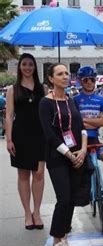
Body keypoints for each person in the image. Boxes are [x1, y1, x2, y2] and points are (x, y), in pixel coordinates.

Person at [39, 63, 88, 246]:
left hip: (77, 155)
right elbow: (49, 135)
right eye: (60, 74)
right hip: (58, 157)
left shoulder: (72, 100)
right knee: (64, 198)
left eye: (67, 73)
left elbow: (82, 127)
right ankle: (55, 242)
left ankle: (64, 237)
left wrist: (83, 150)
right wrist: (69, 154)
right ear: (51, 78)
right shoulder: (45, 103)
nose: (65, 76)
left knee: (73, 199)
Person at [4, 53, 46, 230]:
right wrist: (9, 139)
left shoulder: (42, 88)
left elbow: (47, 111)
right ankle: (27, 213)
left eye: (30, 64)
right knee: (23, 175)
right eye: (24, 64)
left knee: (39, 174)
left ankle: (37, 212)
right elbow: (8, 115)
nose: (27, 67)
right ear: (19, 67)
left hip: (40, 135)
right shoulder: (13, 89)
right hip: (21, 135)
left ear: (35, 67)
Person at [73, 66, 103, 202]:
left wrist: (84, 120)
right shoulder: (75, 100)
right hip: (80, 141)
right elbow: (76, 123)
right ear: (80, 81)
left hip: (95, 139)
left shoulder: (101, 99)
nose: (89, 82)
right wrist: (96, 122)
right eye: (86, 80)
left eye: (92, 79)